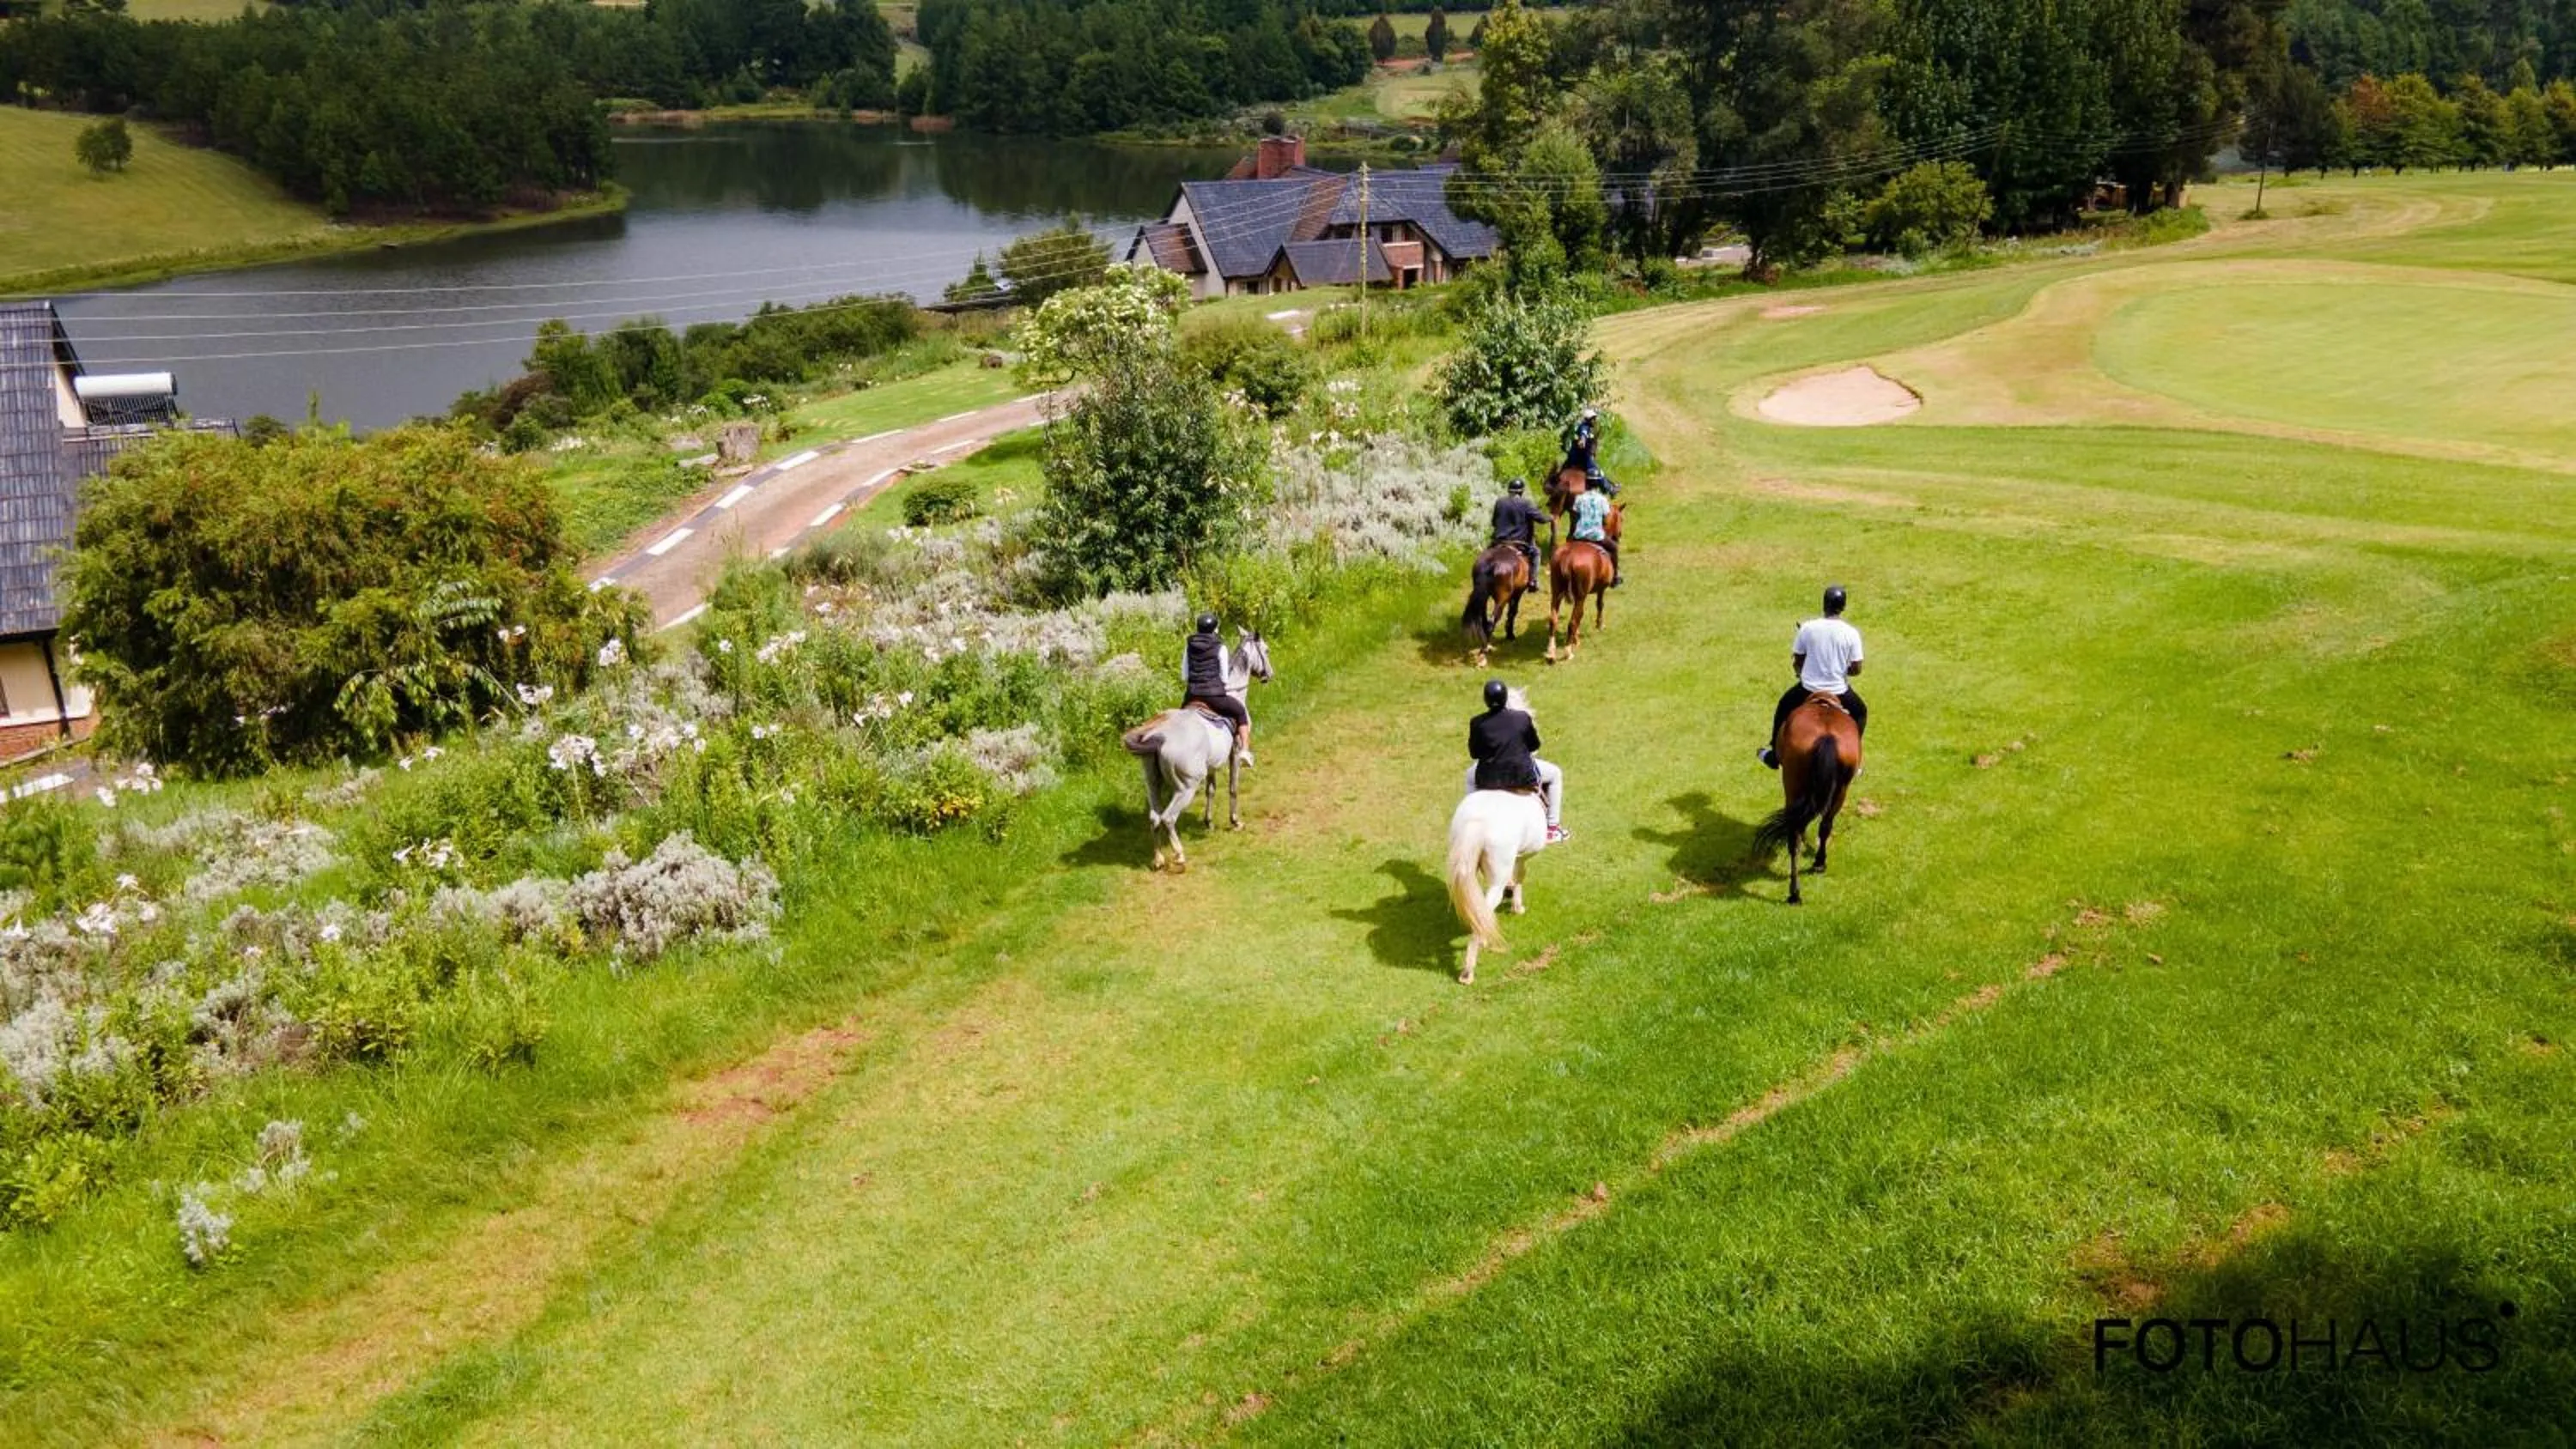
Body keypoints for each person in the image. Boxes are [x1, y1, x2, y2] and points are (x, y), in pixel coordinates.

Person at [1759, 585, 1867, 769]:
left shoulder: (1807, 628)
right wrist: (1842, 669)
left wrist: (1801, 670)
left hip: (1807, 688)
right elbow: (1857, 668)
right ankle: (1854, 762)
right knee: (1860, 712)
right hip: (1839, 691)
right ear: (1843, 607)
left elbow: (1798, 659)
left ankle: (1775, 756)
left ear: (1824, 604)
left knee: (1783, 706)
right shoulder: (1851, 633)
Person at [1467, 677, 1568, 843]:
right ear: (1505, 698)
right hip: (1521, 775)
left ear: (1485, 700)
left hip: (1488, 779)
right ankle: (1552, 828)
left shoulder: (1477, 722)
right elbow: (1534, 745)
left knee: (1469, 777)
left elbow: (1474, 753)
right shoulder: (1522, 718)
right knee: (1556, 774)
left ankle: (1472, 821)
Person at [1182, 611, 1252, 767]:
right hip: (1214, 696)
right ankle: (1245, 750)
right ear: (1215, 629)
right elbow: (1225, 678)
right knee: (1240, 711)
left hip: (1192, 696)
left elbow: (1184, 675)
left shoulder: (1188, 645)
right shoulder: (1220, 647)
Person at [1488, 476, 1545, 581]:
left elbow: (1494, 523)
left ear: (1509, 490)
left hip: (1499, 541)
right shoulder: (1526, 503)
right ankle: (1533, 580)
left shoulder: (1500, 502)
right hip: (1519, 543)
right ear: (1522, 491)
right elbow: (1541, 519)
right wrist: (1550, 517)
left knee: (1486, 554)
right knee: (1536, 553)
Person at [1568, 482, 1620, 587]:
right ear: (1597, 485)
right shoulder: (1602, 499)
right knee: (1614, 548)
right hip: (1596, 536)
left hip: (1579, 535)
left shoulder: (1579, 498)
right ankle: (1615, 575)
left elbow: (1575, 516)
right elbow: (1606, 519)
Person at [1566, 406, 1618, 497]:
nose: (1595, 421)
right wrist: (1582, 441)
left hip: (1575, 457)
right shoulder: (1584, 427)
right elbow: (1583, 435)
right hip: (1583, 459)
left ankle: (1611, 485)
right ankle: (1610, 489)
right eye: (1593, 419)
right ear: (1588, 419)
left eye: (1595, 418)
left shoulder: (1588, 428)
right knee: (1598, 472)